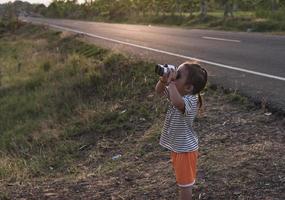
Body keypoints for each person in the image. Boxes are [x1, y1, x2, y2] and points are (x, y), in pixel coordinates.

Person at [155, 61, 208, 200]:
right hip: (178, 147)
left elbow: (178, 103)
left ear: (189, 87)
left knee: (185, 185)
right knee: (181, 181)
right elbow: (158, 91)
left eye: (178, 75)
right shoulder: (178, 92)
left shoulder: (190, 100)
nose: (174, 76)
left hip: (185, 150)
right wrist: (163, 79)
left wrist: (171, 83)